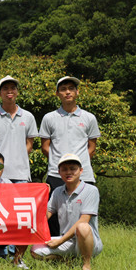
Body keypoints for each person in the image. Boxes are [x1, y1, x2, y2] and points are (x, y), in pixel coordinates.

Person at [39, 76, 101, 235]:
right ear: (57, 93)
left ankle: (84, 248)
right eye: (63, 89)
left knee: (83, 214)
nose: (67, 92)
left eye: (71, 88)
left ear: (77, 92)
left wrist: (76, 167)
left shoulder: (89, 118)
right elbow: (45, 147)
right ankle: (56, 248)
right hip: (55, 173)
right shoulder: (49, 118)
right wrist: (61, 166)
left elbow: (92, 148)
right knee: (53, 215)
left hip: (84, 174)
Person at [31, 153, 103, 270]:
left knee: (83, 227)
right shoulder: (58, 191)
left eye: (72, 169)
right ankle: (69, 261)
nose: (68, 172)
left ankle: (86, 265)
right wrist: (43, 195)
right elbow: (45, 215)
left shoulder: (91, 190)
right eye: (64, 169)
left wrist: (59, 242)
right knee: (35, 250)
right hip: (67, 241)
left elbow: (83, 220)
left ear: (81, 171)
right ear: (59, 172)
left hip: (88, 241)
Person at [0, 75, 39, 183]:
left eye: (13, 88)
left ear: (17, 91)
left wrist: (18, 157)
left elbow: (29, 145)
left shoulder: (28, 117)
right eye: (5, 88)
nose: (9, 91)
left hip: (21, 175)